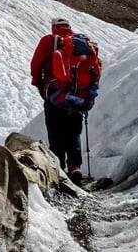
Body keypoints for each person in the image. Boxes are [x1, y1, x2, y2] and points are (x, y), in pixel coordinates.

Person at [30, 17, 101, 184]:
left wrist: (39, 84)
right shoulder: (83, 43)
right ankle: (75, 167)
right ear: (68, 27)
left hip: (55, 94)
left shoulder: (48, 41)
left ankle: (59, 168)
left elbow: (36, 65)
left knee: (56, 131)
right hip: (79, 95)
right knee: (74, 132)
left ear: (54, 27)